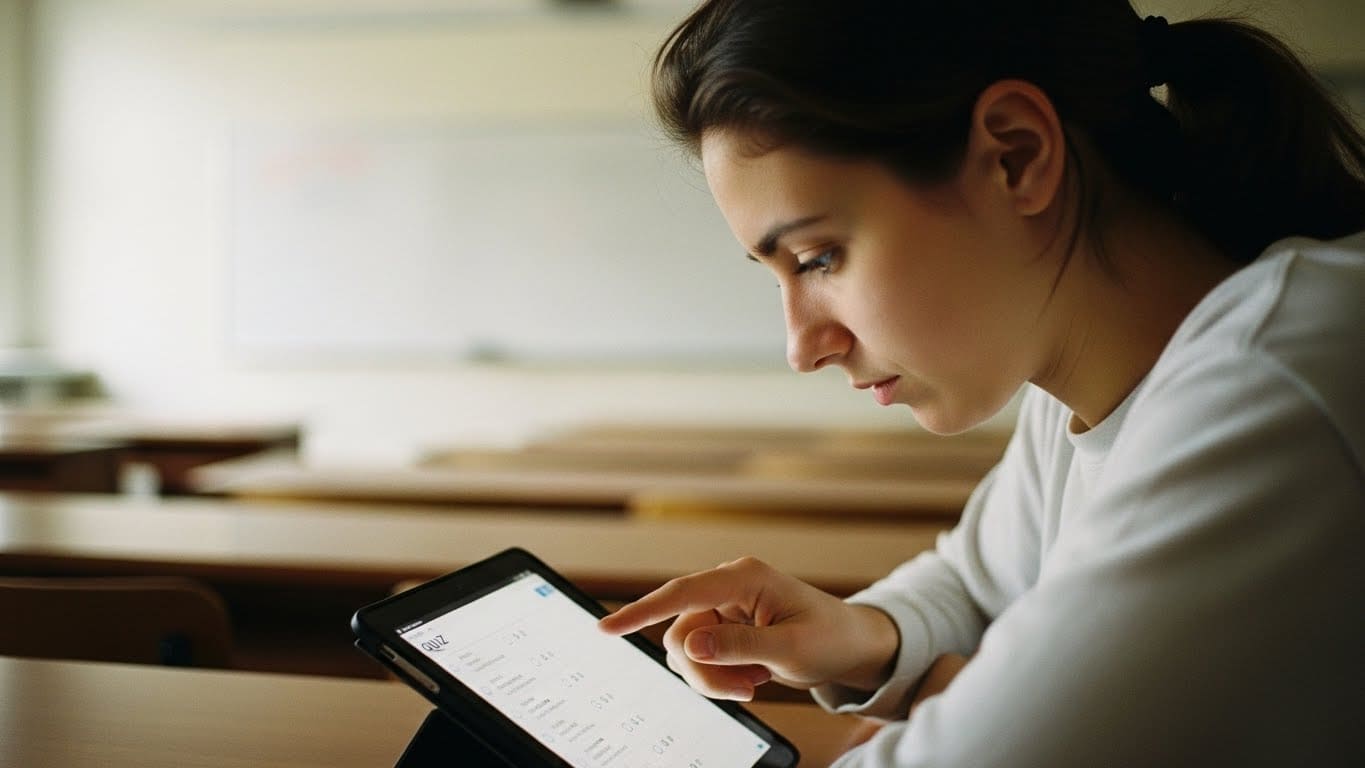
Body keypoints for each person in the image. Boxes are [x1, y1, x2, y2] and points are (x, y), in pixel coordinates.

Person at [596, 1, 1365, 765]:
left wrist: (961, 697)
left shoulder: (1269, 386)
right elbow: (978, 581)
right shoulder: (1090, 379)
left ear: (1016, 155)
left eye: (818, 258)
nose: (803, 347)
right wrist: (866, 637)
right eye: (778, 278)